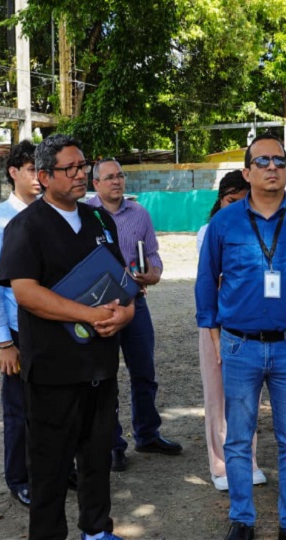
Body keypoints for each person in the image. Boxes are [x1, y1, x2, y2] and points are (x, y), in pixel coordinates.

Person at [196, 133, 286, 540]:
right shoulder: (224, 222)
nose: (272, 167)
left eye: (279, 160)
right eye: (262, 161)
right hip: (239, 345)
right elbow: (206, 280)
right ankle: (242, 519)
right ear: (247, 171)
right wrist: (213, 332)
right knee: (239, 439)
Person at [0, 134, 133, 540]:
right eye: (69, 169)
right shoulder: (26, 226)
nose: (80, 175)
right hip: (53, 371)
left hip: (99, 365)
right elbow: (26, 292)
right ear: (43, 176)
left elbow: (122, 283)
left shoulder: (99, 220)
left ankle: (97, 530)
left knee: (97, 458)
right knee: (50, 468)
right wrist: (89, 315)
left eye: (83, 166)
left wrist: (124, 314)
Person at [88, 158, 182, 472]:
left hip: (135, 303)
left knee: (144, 371)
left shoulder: (139, 213)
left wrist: (153, 274)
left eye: (120, 176)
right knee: (105, 377)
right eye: (109, 177)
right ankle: (113, 445)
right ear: (96, 184)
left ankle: (147, 434)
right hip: (100, 307)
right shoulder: (85, 214)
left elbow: (153, 256)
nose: (117, 181)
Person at [195, 170, 267, 492]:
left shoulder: (262, 230)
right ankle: (220, 465)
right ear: (220, 200)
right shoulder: (208, 232)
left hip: (251, 323)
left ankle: (247, 461)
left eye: (243, 200)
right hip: (217, 323)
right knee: (217, 395)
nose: (237, 206)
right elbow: (212, 282)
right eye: (230, 200)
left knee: (247, 395)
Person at [0, 139, 41, 507]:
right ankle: (19, 477)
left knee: (53, 405)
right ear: (13, 172)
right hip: (19, 329)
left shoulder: (50, 213)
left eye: (42, 170)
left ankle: (54, 469)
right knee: (19, 409)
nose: (38, 178)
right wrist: (3, 342)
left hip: (52, 325)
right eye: (31, 170)